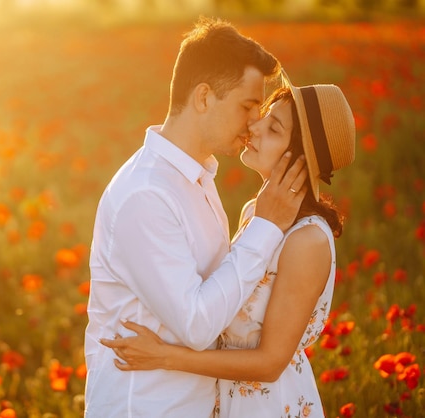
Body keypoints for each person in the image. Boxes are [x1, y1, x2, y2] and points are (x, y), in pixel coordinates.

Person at [84, 17, 310, 417]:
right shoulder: (146, 194)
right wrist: (267, 226)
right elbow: (198, 325)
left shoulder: (196, 177)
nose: (254, 121)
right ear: (204, 97)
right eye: (247, 105)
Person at [100, 77, 356, 418]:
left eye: (274, 127)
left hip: (270, 404)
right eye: (264, 114)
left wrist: (165, 357)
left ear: (299, 161)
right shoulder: (257, 212)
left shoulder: (307, 240)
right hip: (228, 398)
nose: (255, 124)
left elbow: (269, 363)